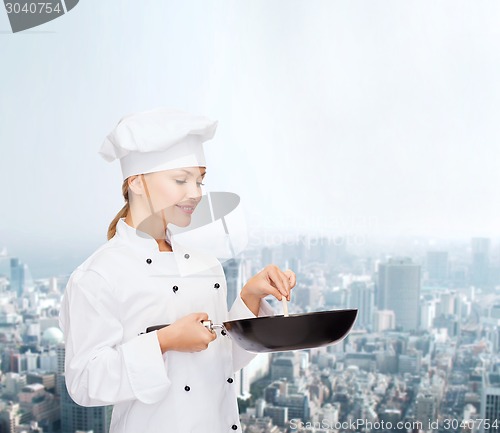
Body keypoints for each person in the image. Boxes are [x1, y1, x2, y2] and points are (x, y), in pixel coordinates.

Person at [59, 108, 296, 433]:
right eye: (181, 180)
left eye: (199, 180)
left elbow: (222, 362)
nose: (196, 193)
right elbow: (86, 381)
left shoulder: (207, 265)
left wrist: (251, 296)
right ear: (137, 182)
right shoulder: (98, 276)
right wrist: (164, 341)